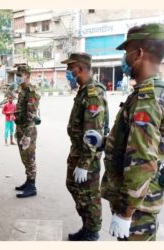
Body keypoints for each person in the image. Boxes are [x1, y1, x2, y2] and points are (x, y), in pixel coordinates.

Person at [101, 23, 164, 241]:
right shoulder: (154, 91)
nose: (124, 59)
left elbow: (142, 159)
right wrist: (105, 142)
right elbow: (137, 143)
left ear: (139, 53)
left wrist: (126, 213)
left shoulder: (148, 98)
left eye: (126, 53)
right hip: (140, 202)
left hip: (137, 209)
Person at [61, 52, 109, 241]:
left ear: (79, 68)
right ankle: (88, 225)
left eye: (69, 68)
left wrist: (84, 163)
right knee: (75, 187)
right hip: (78, 151)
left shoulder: (92, 93)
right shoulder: (84, 90)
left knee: (89, 194)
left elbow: (92, 133)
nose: (68, 72)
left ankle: (92, 231)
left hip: (86, 155)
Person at [13, 65, 41, 198]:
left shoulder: (31, 91)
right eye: (17, 75)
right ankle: (28, 181)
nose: (18, 77)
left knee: (29, 157)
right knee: (24, 157)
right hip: (21, 128)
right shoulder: (22, 90)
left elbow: (31, 113)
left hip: (27, 129)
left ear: (28, 76)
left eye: (21, 75)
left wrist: (19, 116)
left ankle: (32, 186)